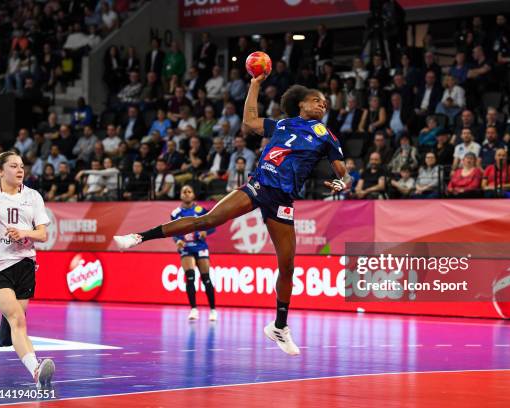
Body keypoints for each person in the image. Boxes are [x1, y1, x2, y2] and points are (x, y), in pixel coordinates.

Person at [114, 75, 350, 356]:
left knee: (287, 266)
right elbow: (250, 121)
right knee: (207, 219)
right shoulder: (283, 124)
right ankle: (138, 237)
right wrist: (254, 84)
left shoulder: (326, 135)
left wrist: (339, 182)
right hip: (259, 183)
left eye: (324, 101)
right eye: (316, 99)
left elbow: (342, 171)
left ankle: (279, 327)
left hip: (283, 200)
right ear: (300, 104)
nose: (322, 103)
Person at [0, 151, 55, 387]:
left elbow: (43, 234)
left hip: (24, 266)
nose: (20, 170)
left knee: (6, 335)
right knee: (17, 319)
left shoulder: (33, 197)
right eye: (13, 166)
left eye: (22, 166)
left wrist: (24, 232)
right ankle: (36, 371)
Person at [171, 185, 217, 321]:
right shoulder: (175, 213)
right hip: (186, 247)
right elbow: (172, 230)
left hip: (200, 246)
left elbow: (212, 225)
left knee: (206, 279)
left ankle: (213, 310)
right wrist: (177, 240)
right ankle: (193, 309)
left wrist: (206, 232)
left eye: (189, 191)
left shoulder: (200, 210)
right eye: (184, 192)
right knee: (190, 277)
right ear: (180, 195)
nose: (186, 194)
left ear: (193, 195)